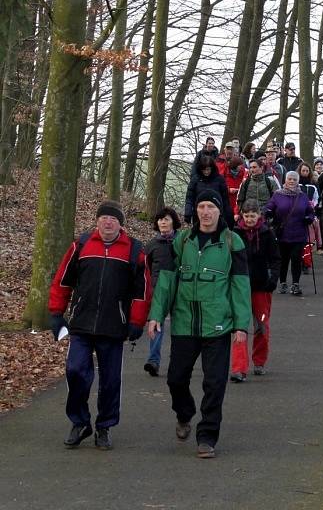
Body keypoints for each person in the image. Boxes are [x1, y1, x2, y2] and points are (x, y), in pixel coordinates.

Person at [148, 190, 251, 459]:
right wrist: (156, 315)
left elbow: (240, 286)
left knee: (215, 383)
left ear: (220, 211)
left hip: (218, 324)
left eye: (211, 207)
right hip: (184, 322)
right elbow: (167, 280)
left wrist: (241, 325)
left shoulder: (232, 242)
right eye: (201, 207)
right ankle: (184, 413)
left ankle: (207, 436)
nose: (205, 212)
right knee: (175, 379)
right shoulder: (182, 241)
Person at [48, 200, 151, 450]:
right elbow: (62, 281)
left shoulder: (134, 250)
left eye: (113, 219)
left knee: (110, 380)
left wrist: (137, 321)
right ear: (97, 221)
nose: (108, 222)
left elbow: (143, 290)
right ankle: (80, 421)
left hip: (114, 326)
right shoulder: (81, 245)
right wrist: (56, 313)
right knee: (75, 371)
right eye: (104, 218)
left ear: (120, 225)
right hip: (81, 323)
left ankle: (104, 426)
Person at [230, 199, 280, 381]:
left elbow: (276, 259)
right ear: (242, 215)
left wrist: (273, 279)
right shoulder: (234, 234)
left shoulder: (267, 233)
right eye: (247, 216)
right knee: (239, 326)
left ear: (259, 216)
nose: (250, 219)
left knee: (261, 325)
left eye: (253, 216)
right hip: (240, 288)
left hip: (262, 287)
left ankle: (259, 361)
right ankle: (238, 368)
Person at [144, 207, 181, 377]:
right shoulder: (151, 245)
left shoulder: (183, 241)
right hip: (158, 290)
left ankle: (178, 361)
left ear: (173, 221)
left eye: (166, 219)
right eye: (159, 220)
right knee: (156, 325)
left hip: (180, 289)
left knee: (179, 327)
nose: (163, 222)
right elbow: (146, 269)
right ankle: (153, 361)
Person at [264, 171, 314, 296]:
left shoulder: (303, 196)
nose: (292, 181)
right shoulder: (277, 195)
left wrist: (309, 218)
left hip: (299, 233)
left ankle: (296, 284)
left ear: (298, 181)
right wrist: (268, 211)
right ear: (285, 181)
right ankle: (283, 283)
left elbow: (310, 211)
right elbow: (269, 207)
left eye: (294, 179)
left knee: (296, 259)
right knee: (283, 259)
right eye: (289, 179)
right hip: (282, 233)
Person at [184, 156, 233, 228]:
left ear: (212, 168)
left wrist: (228, 215)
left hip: (216, 214)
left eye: (208, 169)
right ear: (200, 169)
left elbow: (225, 199)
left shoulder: (220, 179)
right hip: (199, 214)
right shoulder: (195, 180)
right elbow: (189, 198)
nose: (206, 172)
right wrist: (188, 213)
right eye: (204, 170)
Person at [298, 163, 322, 263]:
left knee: (310, 237)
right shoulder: (296, 185)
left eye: (307, 171)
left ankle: (307, 261)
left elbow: (317, 198)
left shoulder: (313, 186)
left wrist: (313, 205)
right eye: (303, 171)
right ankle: (300, 259)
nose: (305, 173)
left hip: (310, 212)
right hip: (298, 212)